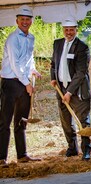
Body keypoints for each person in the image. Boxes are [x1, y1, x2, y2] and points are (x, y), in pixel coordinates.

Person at [0, 5, 42, 167]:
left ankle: (22, 155)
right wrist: (27, 84)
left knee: (21, 121)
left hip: (24, 81)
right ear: (17, 21)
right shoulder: (12, 39)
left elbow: (28, 58)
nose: (25, 22)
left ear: (31, 21)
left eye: (28, 19)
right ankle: (1, 157)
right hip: (10, 83)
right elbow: (15, 63)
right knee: (5, 121)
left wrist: (33, 70)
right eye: (22, 19)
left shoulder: (31, 38)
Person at [50, 16, 91, 161]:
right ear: (63, 30)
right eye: (66, 30)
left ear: (76, 30)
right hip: (61, 89)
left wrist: (69, 92)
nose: (69, 32)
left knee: (83, 121)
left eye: (71, 30)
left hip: (78, 91)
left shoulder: (82, 47)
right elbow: (53, 64)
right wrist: (53, 78)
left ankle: (86, 150)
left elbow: (81, 73)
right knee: (66, 121)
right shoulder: (57, 44)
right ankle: (72, 148)